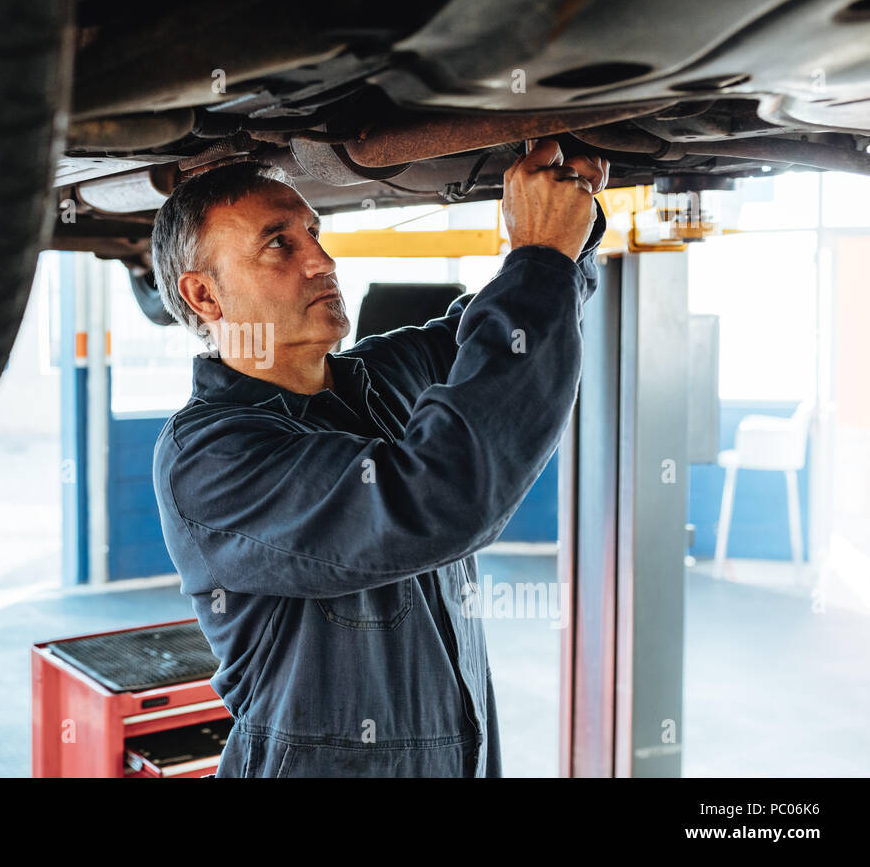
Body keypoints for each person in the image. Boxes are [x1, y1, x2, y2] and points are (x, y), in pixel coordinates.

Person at [150, 140, 610, 776]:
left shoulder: (381, 376)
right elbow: (436, 501)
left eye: (315, 233)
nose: (323, 260)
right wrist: (540, 258)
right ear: (205, 296)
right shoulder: (210, 459)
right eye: (280, 244)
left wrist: (568, 232)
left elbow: (506, 327)